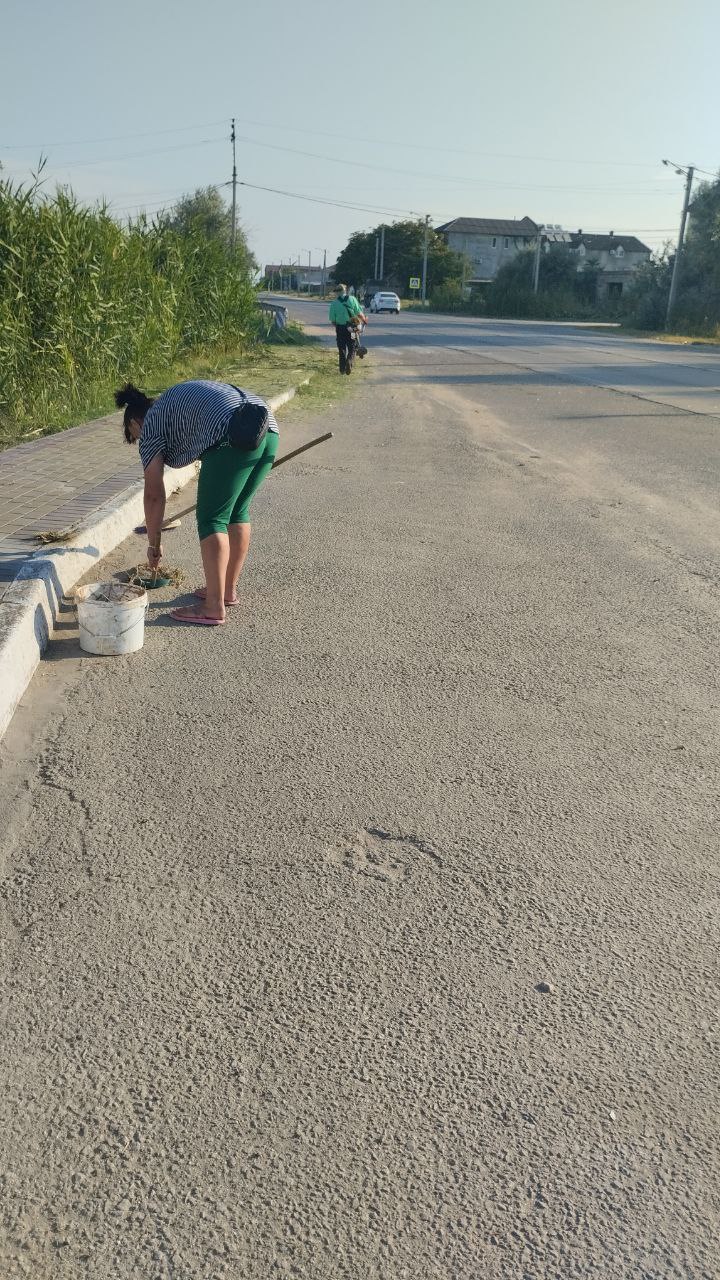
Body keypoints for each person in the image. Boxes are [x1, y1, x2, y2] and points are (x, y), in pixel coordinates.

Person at [115, 380, 279, 626]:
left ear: (134, 423)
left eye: (135, 438)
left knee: (212, 519)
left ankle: (213, 606)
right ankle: (226, 591)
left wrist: (153, 543)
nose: (141, 443)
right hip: (267, 428)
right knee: (236, 512)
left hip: (231, 433)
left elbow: (154, 495)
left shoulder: (150, 424)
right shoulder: (170, 408)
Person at [328, 283, 367, 374]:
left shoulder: (334, 303)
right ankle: (349, 362)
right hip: (352, 328)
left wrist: (338, 327)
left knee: (341, 348)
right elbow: (359, 313)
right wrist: (364, 320)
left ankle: (342, 369)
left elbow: (333, 320)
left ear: (337, 293)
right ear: (345, 291)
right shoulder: (352, 299)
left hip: (340, 328)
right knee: (352, 346)